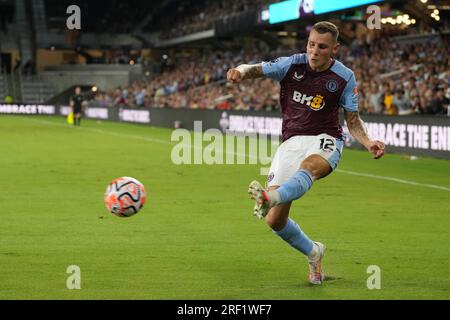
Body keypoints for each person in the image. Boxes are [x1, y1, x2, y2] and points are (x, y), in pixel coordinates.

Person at [227, 21, 385, 285]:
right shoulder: (291, 64)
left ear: (334, 48)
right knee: (275, 221)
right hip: (291, 142)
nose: (314, 51)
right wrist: (240, 71)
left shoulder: (344, 77)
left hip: (326, 140)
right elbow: (257, 69)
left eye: (321, 47)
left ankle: (271, 196)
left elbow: (353, 119)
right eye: (311, 44)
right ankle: (313, 251)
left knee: (309, 167)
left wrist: (368, 142)